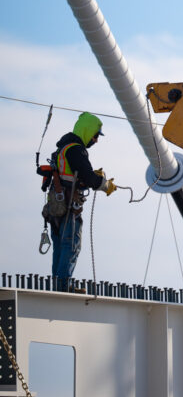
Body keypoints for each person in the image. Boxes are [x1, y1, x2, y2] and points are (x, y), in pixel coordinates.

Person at [44, 112, 115, 290]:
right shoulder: (76, 149)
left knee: (60, 246)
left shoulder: (62, 148)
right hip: (69, 206)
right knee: (71, 245)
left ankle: (58, 285)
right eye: (96, 135)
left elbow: (73, 175)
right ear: (87, 131)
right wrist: (105, 185)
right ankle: (63, 286)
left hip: (55, 205)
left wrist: (89, 176)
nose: (96, 140)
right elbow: (90, 179)